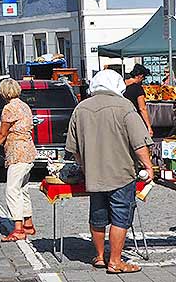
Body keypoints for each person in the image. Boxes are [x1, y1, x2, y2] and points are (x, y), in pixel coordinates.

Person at [65, 69, 154, 274]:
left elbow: (73, 148)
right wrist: (148, 166)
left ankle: (98, 256)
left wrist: (86, 166)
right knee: (120, 216)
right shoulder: (124, 106)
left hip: (94, 174)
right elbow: (140, 143)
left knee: (98, 216)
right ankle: (115, 261)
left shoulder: (81, 108)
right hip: (121, 172)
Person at [0, 78, 38, 241]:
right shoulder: (24, 105)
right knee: (23, 189)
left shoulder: (9, 108)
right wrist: (1, 132)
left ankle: (18, 229)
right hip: (28, 151)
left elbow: (3, 135)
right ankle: (28, 224)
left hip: (17, 153)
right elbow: (15, 128)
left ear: (3, 93)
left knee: (12, 190)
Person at [123, 64, 153, 137]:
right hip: (134, 119)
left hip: (121, 118)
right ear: (140, 76)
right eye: (143, 78)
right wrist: (149, 127)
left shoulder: (120, 85)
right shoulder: (138, 88)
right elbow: (142, 108)